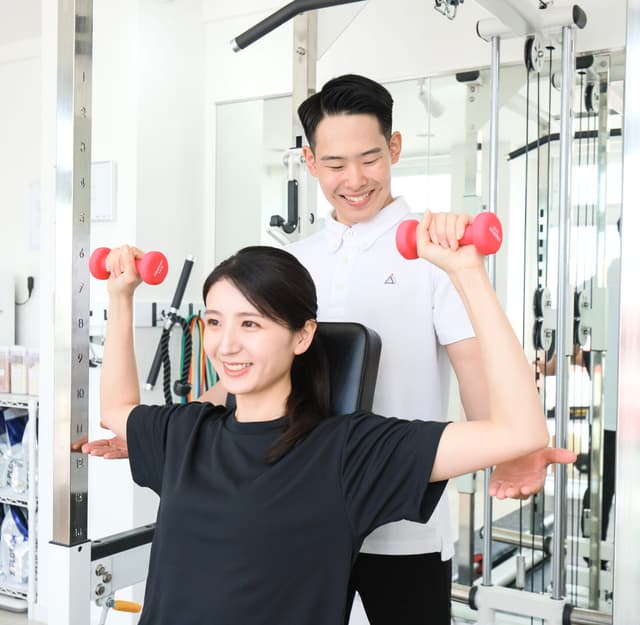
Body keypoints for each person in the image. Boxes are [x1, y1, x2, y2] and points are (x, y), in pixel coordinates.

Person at [84, 74, 575, 625]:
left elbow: (475, 374)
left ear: (394, 148)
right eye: (336, 164)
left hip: (395, 507)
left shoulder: (435, 255)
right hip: (293, 507)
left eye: (370, 159)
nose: (355, 180)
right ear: (311, 162)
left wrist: (507, 450)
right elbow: (248, 371)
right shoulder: (299, 259)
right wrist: (175, 439)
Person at [99, 225, 550, 625]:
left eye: (250, 324)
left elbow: (520, 432)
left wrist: (467, 274)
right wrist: (120, 297)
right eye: (214, 322)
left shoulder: (348, 452)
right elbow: (115, 408)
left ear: (303, 335)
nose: (227, 344)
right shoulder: (185, 433)